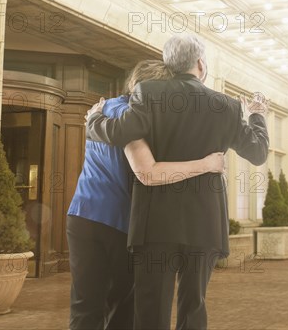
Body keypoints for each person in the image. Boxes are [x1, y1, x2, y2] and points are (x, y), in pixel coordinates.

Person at [86, 34, 269, 330]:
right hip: (204, 223)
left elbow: (119, 132)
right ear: (201, 64)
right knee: (193, 305)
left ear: (169, 64)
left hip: (156, 224)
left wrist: (93, 121)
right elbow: (258, 153)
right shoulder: (228, 107)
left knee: (150, 309)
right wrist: (257, 116)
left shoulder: (149, 92)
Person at [67, 60, 225, 330]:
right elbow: (150, 172)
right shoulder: (136, 121)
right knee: (122, 307)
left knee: (84, 305)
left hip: (82, 216)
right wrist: (209, 164)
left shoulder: (103, 109)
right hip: (121, 224)